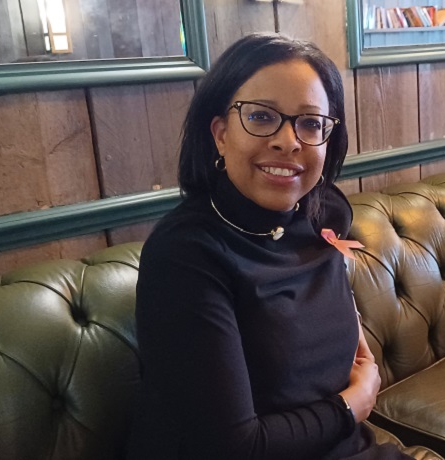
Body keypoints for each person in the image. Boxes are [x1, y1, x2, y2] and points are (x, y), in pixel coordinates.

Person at [127, 33, 414, 459]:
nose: (288, 140)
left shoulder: (322, 216)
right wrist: (353, 404)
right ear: (221, 134)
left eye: (311, 122)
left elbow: (332, 332)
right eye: (261, 117)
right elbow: (233, 446)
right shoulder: (185, 254)